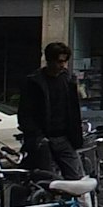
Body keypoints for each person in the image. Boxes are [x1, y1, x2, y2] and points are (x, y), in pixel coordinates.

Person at [19, 42, 86, 179]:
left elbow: (73, 111)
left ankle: (70, 199)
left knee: (75, 178)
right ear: (49, 60)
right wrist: (37, 137)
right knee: (47, 178)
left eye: (65, 62)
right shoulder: (34, 82)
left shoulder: (67, 80)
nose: (62, 65)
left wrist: (75, 136)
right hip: (43, 139)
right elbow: (25, 113)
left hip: (64, 138)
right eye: (59, 61)